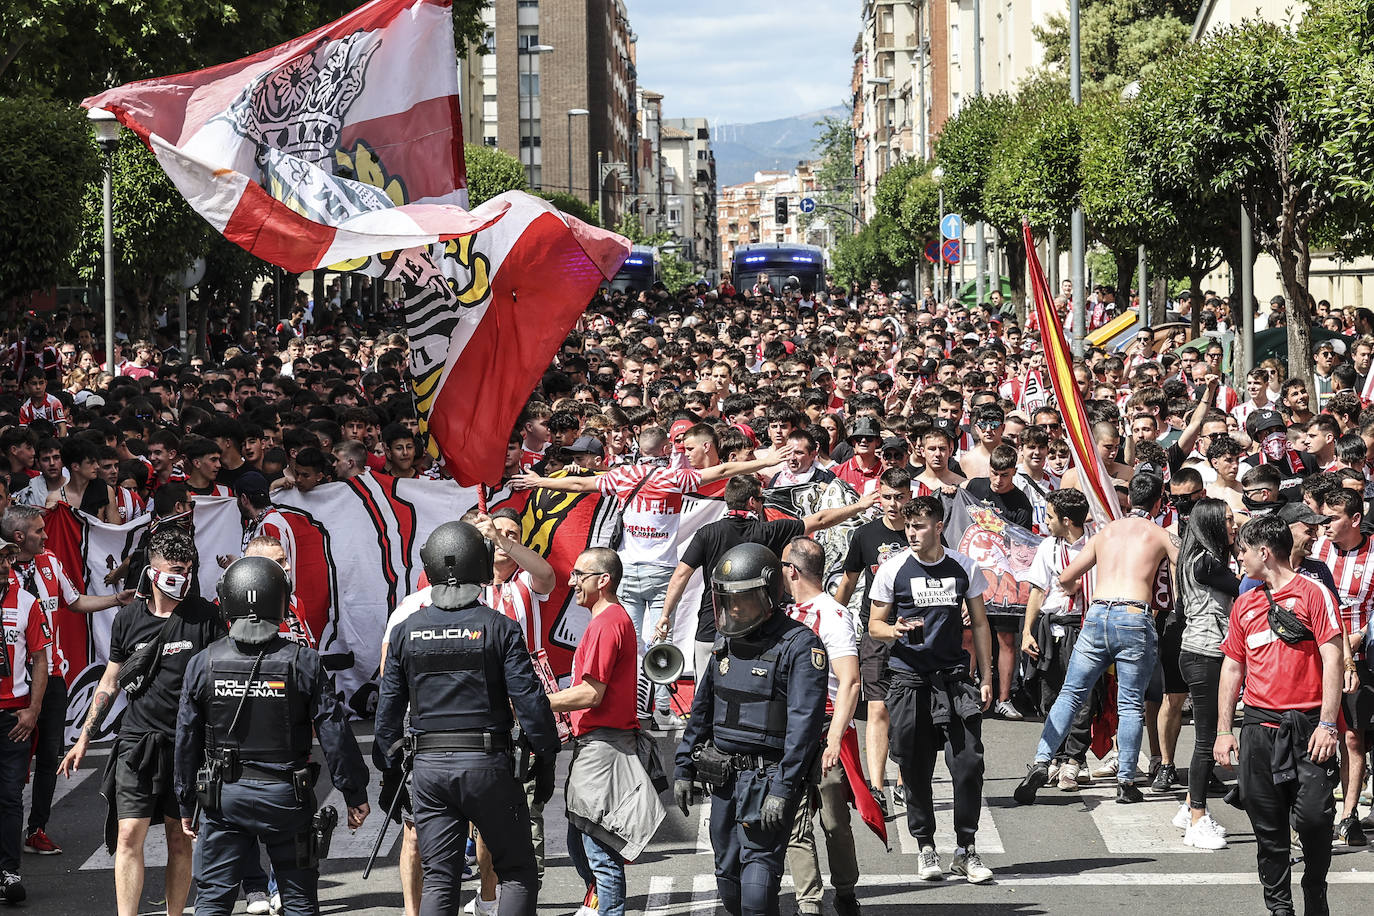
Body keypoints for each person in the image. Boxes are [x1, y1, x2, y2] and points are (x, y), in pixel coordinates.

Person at [374, 521, 560, 916]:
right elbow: (530, 704)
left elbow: (387, 714)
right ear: (480, 565)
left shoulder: (407, 631)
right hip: (488, 767)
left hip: (428, 770)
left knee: (441, 877)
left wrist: (390, 774)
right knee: (518, 871)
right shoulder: (500, 627)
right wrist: (545, 759)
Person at [173, 557, 370, 915]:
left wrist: (186, 802)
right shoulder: (304, 661)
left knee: (213, 899)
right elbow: (334, 732)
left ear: (227, 602)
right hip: (287, 798)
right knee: (297, 901)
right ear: (281, 601)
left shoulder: (203, 663)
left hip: (224, 797)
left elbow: (186, 738)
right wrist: (354, 792)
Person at [58, 528, 224, 916]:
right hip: (137, 742)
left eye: (187, 569)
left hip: (187, 745)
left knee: (179, 838)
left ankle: (175, 913)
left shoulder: (205, 616)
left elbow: (218, 678)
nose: (181, 577)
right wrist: (84, 738)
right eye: (173, 570)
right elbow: (110, 680)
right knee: (129, 834)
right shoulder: (128, 619)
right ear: (152, 572)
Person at [673, 543, 828, 916]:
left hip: (767, 778)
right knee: (728, 880)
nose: (734, 609)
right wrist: (683, 767)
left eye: (743, 599)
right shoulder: (727, 641)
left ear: (769, 592)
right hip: (723, 776)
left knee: (758, 889)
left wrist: (784, 788)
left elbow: (804, 727)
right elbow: (703, 708)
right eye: (728, 600)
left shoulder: (800, 646)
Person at [1016, 473, 1181, 805]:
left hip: (1097, 613)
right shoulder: (1162, 535)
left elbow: (1064, 577)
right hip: (1135, 614)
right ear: (1159, 502)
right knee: (1131, 703)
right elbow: (1180, 584)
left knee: (1069, 695)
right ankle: (1126, 782)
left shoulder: (1106, 532)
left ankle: (1042, 759)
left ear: (1129, 499)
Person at [1214, 515, 1344, 916]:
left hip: (1308, 728)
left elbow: (1333, 657)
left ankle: (1314, 888)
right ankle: (1279, 908)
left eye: (1243, 551)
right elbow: (1233, 667)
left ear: (1264, 552)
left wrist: (1327, 724)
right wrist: (1224, 730)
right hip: (1258, 727)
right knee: (1267, 828)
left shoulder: (1313, 593)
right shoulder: (1245, 603)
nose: (1239, 559)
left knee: (1313, 818)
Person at [868, 496, 994, 883]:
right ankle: (925, 846)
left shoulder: (963, 566)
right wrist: (894, 630)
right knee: (913, 766)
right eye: (909, 527)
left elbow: (980, 624)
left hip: (954, 679)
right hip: (909, 681)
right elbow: (874, 624)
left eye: (920, 526)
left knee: (968, 763)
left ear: (938, 527)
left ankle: (965, 849)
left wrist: (986, 677)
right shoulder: (893, 569)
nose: (912, 533)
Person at [654, 475, 875, 689]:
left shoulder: (707, 533)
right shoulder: (769, 531)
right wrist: (859, 506)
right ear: (752, 502)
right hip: (755, 630)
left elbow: (681, 575)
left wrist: (665, 615)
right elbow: (820, 520)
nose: (763, 504)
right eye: (762, 499)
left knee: (704, 698)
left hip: (711, 626)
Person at [2, 504, 135, 856]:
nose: (45, 536)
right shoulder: (4, 569)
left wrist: (115, 599)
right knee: (11, 761)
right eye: (38, 532)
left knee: (49, 755)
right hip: (12, 682)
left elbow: (74, 602)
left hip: (53, 674)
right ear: (19, 538)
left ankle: (37, 828)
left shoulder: (50, 562)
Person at [548, 548, 663, 916]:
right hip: (598, 745)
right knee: (580, 840)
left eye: (579, 575)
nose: (572, 581)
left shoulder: (607, 622)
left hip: (604, 748)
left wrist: (538, 701)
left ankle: (607, 910)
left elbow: (591, 693)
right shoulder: (607, 620)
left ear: (603, 580)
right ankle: (597, 903)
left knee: (598, 848)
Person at [780, 537, 862, 916]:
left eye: (782, 566)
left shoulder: (832, 614)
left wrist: (832, 739)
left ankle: (845, 891)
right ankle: (808, 901)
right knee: (795, 820)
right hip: (791, 729)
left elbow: (851, 681)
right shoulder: (785, 613)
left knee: (833, 820)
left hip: (826, 727)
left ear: (792, 571)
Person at [834, 468, 912, 815]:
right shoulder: (865, 534)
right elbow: (849, 582)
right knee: (878, 707)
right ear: (877, 496)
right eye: (887, 497)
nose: (893, 504)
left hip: (913, 630)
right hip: (876, 630)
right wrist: (830, 616)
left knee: (909, 711)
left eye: (900, 497)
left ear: (910, 495)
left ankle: (905, 778)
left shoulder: (921, 530)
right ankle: (877, 786)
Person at [1172, 497, 1240, 849]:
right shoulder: (1207, 563)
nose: (1234, 526)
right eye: (1228, 521)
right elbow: (1244, 589)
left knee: (1205, 736)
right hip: (1205, 655)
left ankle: (1188, 806)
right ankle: (1197, 819)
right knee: (1206, 741)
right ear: (1212, 524)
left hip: (1200, 652)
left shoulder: (1197, 558)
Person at [1020, 488, 1098, 791]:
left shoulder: (1096, 542)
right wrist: (1028, 631)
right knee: (1051, 694)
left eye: (1050, 516)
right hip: (1052, 628)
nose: (1046, 522)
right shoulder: (1047, 547)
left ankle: (1074, 760)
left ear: (1067, 520)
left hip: (1085, 626)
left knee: (1083, 697)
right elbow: (1037, 591)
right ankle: (1056, 755)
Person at [1309, 487, 1374, 846]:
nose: (1325, 525)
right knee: (1315, 731)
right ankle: (1316, 809)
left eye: (1332, 518)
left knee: (1352, 736)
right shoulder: (1317, 549)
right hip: (1318, 657)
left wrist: (1362, 635)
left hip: (1359, 659)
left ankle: (1349, 816)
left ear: (1355, 520)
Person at [0, 534, 50, 903]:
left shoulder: (27, 601)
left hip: (12, 718)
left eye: (9, 559)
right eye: (1, 559)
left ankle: (8, 871)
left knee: (10, 796)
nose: (7, 565)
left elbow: (40, 660)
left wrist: (33, 710)